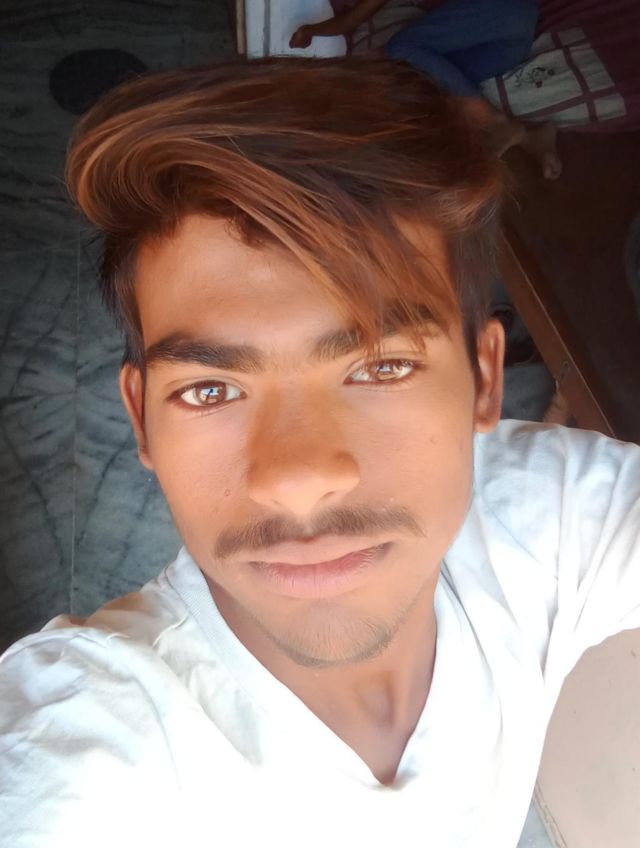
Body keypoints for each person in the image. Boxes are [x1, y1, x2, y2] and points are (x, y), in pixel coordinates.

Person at [0, 57, 638, 848]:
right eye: (210, 389)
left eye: (381, 369)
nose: (298, 480)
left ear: (483, 380)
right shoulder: (88, 741)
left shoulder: (542, 518)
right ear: (141, 418)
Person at [291, 0, 563, 179]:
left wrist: (311, 31)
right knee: (429, 82)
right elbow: (351, 21)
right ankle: (534, 138)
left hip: (505, 11)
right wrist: (310, 31)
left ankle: (494, 122)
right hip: (505, 45)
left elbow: (357, 23)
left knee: (403, 49)